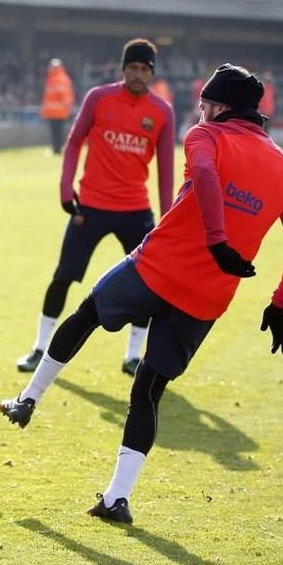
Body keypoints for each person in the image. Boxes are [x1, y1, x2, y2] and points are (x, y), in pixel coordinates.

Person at [0, 64, 283, 524]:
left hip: (155, 267)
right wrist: (281, 302)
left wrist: (215, 237)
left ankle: (29, 398)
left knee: (86, 313)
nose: (201, 111)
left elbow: (205, 172)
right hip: (207, 297)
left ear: (220, 106)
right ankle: (116, 498)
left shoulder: (206, 136)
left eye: (206, 104)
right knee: (147, 391)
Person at [16, 39, 175, 377]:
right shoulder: (99, 98)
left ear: (152, 72)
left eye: (144, 69)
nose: (137, 74)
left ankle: (134, 356)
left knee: (148, 283)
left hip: (136, 210)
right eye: (132, 67)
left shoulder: (162, 112)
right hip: (90, 206)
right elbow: (73, 141)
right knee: (63, 276)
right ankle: (40, 348)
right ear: (123, 69)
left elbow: (166, 167)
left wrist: (167, 217)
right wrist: (65, 188)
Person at [40, 58, 74, 155]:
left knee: (56, 132)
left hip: (56, 111)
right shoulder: (59, 78)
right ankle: (57, 148)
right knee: (58, 132)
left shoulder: (56, 79)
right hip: (58, 111)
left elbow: (63, 95)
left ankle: (57, 149)